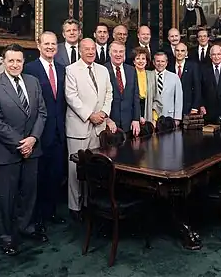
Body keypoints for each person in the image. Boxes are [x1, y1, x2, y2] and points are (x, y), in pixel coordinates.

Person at [0, 43, 48, 256]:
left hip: (33, 149)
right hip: (8, 151)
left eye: (18, 60)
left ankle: (26, 227)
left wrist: (33, 139)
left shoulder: (33, 81)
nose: (15, 64)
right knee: (7, 197)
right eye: (10, 60)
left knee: (30, 193)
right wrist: (22, 143)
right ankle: (7, 237)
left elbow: (41, 113)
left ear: (23, 62)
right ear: (3, 62)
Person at [64, 38, 113, 218]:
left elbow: (109, 93)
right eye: (87, 49)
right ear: (80, 50)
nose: (91, 52)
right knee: (75, 169)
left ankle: (88, 204)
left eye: (93, 49)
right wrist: (89, 115)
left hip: (98, 127)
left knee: (93, 169)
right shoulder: (71, 70)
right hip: (79, 126)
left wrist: (104, 114)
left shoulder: (103, 70)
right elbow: (71, 97)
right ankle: (75, 207)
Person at [24, 32, 66, 231]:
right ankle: (37, 219)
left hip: (59, 132)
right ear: (38, 45)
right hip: (39, 133)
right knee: (38, 178)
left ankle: (51, 213)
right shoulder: (29, 69)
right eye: (46, 44)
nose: (50, 47)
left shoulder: (62, 69)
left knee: (55, 175)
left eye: (53, 44)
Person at [105, 41, 141, 136]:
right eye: (115, 51)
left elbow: (135, 96)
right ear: (110, 53)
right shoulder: (103, 70)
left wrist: (136, 119)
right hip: (110, 124)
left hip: (129, 124)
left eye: (121, 52)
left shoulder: (131, 70)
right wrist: (106, 119)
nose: (118, 54)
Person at [168, 42, 201, 116]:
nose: (179, 53)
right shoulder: (168, 66)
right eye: (177, 50)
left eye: (182, 51)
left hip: (188, 108)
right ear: (174, 52)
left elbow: (197, 88)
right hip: (171, 108)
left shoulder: (193, 66)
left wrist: (195, 108)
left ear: (186, 53)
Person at [132, 46, 162, 125]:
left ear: (146, 61)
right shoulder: (130, 74)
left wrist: (154, 118)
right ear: (134, 61)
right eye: (138, 58)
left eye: (143, 58)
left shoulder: (151, 75)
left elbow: (156, 98)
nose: (141, 61)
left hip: (148, 108)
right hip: (133, 110)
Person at [153, 52, 183, 124]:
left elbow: (178, 98)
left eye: (162, 61)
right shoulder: (148, 75)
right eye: (158, 61)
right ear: (154, 62)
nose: (160, 64)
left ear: (166, 63)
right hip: (152, 117)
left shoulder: (174, 77)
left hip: (169, 117)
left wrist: (177, 118)